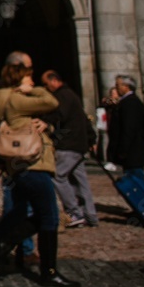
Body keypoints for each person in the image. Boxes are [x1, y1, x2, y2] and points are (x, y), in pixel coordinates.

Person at [0, 64, 80, 287]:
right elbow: (51, 102)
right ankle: (48, 271)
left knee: (31, 213)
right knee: (49, 218)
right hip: (32, 165)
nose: (33, 82)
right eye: (29, 77)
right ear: (19, 80)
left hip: (28, 166)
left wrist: (45, 124)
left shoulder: (14, 100)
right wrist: (31, 91)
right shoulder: (17, 99)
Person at [41, 70, 98, 227]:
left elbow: (59, 115)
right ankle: (90, 214)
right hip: (78, 144)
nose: (45, 88)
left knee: (58, 176)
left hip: (69, 144)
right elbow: (84, 119)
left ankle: (75, 212)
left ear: (54, 81)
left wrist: (45, 122)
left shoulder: (63, 96)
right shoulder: (71, 95)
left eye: (46, 84)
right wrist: (91, 139)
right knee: (80, 180)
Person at [107, 75, 144, 183]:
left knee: (136, 183)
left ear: (126, 87)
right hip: (131, 151)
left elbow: (129, 128)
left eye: (118, 85)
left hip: (132, 151)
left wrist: (123, 150)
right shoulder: (126, 102)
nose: (116, 88)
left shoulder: (130, 103)